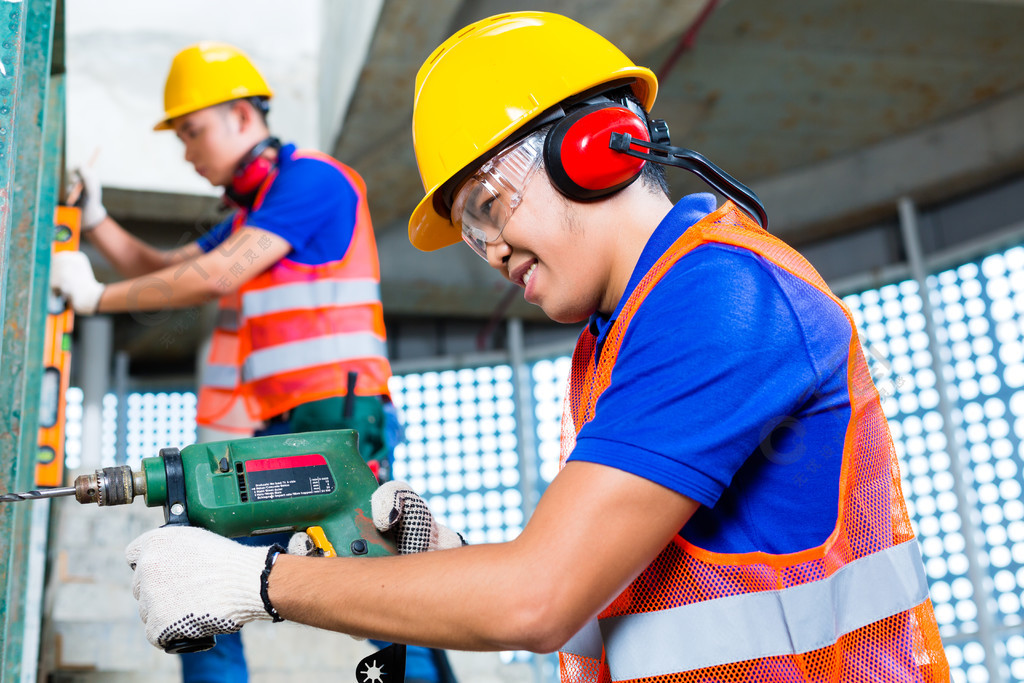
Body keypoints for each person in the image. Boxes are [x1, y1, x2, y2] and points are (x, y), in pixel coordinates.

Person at [121, 13, 950, 682]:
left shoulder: (722, 298)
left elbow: (537, 599)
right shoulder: (616, 335)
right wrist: (451, 564)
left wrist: (256, 583)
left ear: (596, 149)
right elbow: (618, 604)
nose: (492, 253)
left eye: (487, 208)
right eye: (471, 234)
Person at [51, 42, 450, 683]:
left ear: (242, 115)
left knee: (381, 584)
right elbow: (172, 271)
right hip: (288, 426)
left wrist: (97, 298)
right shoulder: (255, 212)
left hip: (338, 420)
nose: (185, 150)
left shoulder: (314, 181)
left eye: (192, 130)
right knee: (201, 565)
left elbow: (217, 275)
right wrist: (97, 223)